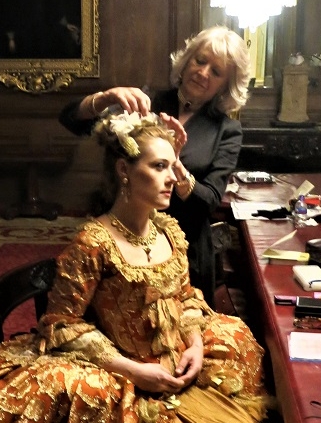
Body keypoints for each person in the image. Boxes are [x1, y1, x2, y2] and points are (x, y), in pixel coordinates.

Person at [0, 111, 271, 423]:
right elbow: (61, 323)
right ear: (124, 170)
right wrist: (134, 371)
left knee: (236, 339)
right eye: (159, 166)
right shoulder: (94, 242)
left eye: (174, 166)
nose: (174, 178)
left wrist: (198, 346)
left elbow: (185, 297)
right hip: (122, 371)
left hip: (175, 362)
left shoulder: (168, 229)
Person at [59, 25, 251, 308]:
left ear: (225, 85)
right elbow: (72, 121)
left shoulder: (227, 130)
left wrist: (177, 166)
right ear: (186, 62)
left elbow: (208, 201)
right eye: (200, 60)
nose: (203, 72)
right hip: (121, 236)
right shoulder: (146, 103)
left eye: (216, 71)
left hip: (185, 251)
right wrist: (105, 97)